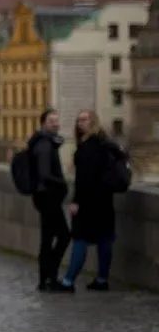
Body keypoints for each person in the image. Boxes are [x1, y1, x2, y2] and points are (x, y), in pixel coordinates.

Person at [55, 110, 116, 292]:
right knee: (105, 240)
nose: (80, 123)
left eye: (84, 119)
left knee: (80, 239)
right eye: (79, 119)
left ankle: (68, 282)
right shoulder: (105, 142)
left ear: (93, 122)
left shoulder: (88, 147)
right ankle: (102, 279)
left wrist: (76, 201)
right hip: (105, 199)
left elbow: (84, 179)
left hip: (89, 202)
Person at [28, 108, 70, 291]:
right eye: (52, 121)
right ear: (43, 123)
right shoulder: (45, 145)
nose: (56, 124)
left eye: (57, 121)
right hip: (48, 197)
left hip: (43, 196)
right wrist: (61, 181)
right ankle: (50, 277)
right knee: (64, 236)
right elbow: (44, 174)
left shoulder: (43, 142)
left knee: (47, 238)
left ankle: (45, 279)